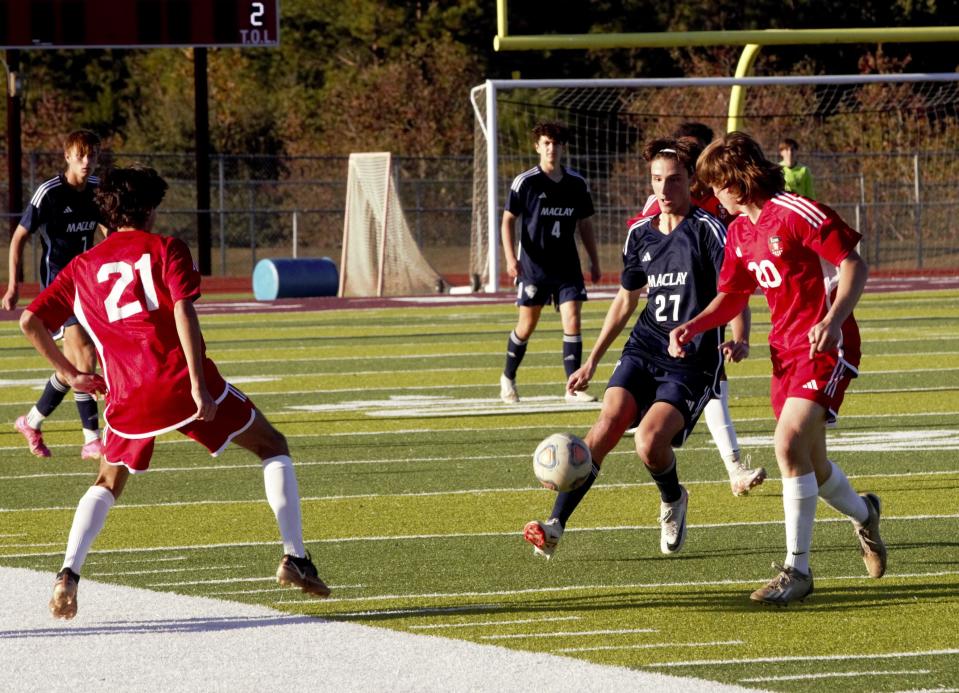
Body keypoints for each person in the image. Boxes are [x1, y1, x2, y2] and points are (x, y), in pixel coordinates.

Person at [18, 166, 330, 620]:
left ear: (105, 214)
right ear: (149, 210)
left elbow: (30, 322)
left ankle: (68, 573)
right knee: (272, 446)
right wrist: (200, 387)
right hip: (182, 385)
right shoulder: (167, 248)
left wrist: (69, 373)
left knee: (107, 482)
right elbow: (185, 313)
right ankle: (295, 557)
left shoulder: (80, 268)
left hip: (127, 396)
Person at [669, 132, 886, 606]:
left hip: (826, 344)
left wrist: (832, 319)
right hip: (785, 352)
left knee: (787, 444)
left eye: (714, 185)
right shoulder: (738, 232)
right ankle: (864, 512)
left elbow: (854, 265)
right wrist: (694, 326)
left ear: (736, 179)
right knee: (813, 463)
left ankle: (797, 571)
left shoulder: (794, 211)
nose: (711, 196)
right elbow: (732, 296)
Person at [523, 137, 749, 561]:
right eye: (657, 180)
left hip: (691, 359)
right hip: (645, 346)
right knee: (606, 426)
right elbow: (626, 299)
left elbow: (734, 288)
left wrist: (739, 337)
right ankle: (555, 525)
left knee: (648, 444)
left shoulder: (708, 230)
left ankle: (673, 498)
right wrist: (591, 359)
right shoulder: (639, 235)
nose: (664, 190)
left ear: (691, 181)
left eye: (674, 181)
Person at [627, 122, 765, 497]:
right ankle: (729, 467)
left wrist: (741, 334)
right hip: (662, 329)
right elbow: (639, 267)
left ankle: (733, 467)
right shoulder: (659, 206)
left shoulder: (718, 207)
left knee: (716, 385)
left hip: (706, 316)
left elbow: (733, 282)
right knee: (698, 395)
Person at [4, 129, 104, 460]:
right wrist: (14, 285)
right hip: (58, 289)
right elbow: (19, 238)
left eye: (92, 155)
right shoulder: (49, 193)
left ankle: (31, 421)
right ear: (67, 156)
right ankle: (92, 439)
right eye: (81, 155)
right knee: (84, 355)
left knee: (72, 365)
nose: (87, 161)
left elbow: (110, 231)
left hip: (88, 286)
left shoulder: (97, 191)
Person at [499, 121, 602, 405]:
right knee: (527, 325)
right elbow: (508, 221)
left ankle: (573, 387)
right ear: (537, 147)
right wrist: (511, 258)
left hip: (567, 266)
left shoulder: (576, 183)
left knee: (573, 319)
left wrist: (593, 261)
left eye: (556, 144)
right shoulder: (526, 182)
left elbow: (585, 224)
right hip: (534, 267)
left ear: (563, 148)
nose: (551, 149)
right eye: (546, 143)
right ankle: (508, 377)